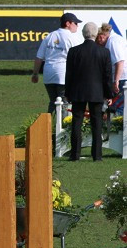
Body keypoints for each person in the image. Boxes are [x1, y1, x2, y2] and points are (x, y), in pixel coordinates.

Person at [65, 21, 112, 161]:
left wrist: (68, 92)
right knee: (97, 123)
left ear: (83, 34)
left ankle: (75, 154)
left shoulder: (74, 51)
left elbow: (69, 74)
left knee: (77, 122)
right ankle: (97, 155)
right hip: (97, 91)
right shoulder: (104, 52)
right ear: (96, 34)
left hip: (78, 91)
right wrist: (108, 94)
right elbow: (107, 75)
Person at [32, 12, 82, 114]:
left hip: (48, 74)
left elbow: (39, 58)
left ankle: (48, 125)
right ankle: (63, 127)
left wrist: (35, 74)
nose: (77, 26)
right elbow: (79, 57)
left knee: (53, 102)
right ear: (68, 23)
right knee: (64, 102)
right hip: (63, 74)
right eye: (75, 23)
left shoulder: (50, 36)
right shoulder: (72, 38)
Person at [96, 23, 127, 115]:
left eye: (97, 42)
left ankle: (119, 127)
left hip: (122, 78)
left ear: (101, 37)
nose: (98, 45)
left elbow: (120, 62)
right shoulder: (115, 40)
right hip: (122, 77)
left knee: (119, 106)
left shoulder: (113, 42)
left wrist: (116, 81)